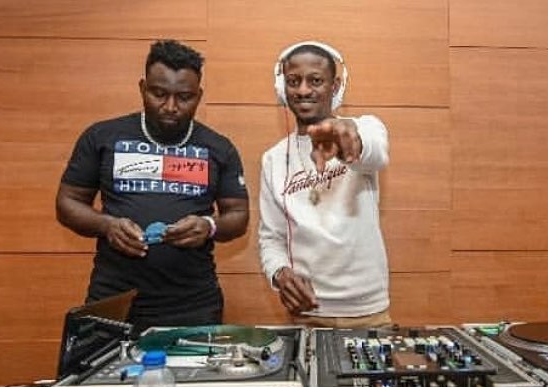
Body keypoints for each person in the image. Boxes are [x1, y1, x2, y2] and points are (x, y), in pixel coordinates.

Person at [56, 40, 249, 333]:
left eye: (184, 97)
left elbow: (239, 215)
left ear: (199, 95)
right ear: (142, 88)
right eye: (159, 94)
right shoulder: (102, 137)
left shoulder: (219, 148)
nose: (170, 107)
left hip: (193, 304)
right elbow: (67, 202)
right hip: (114, 300)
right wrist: (107, 225)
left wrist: (209, 226)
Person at [258, 41, 391, 328]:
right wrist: (280, 273)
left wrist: (348, 141)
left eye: (315, 80)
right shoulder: (273, 159)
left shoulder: (365, 128)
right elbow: (271, 237)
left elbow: (376, 152)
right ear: (282, 89)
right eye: (294, 81)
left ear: (335, 86)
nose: (303, 90)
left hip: (368, 313)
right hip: (306, 315)